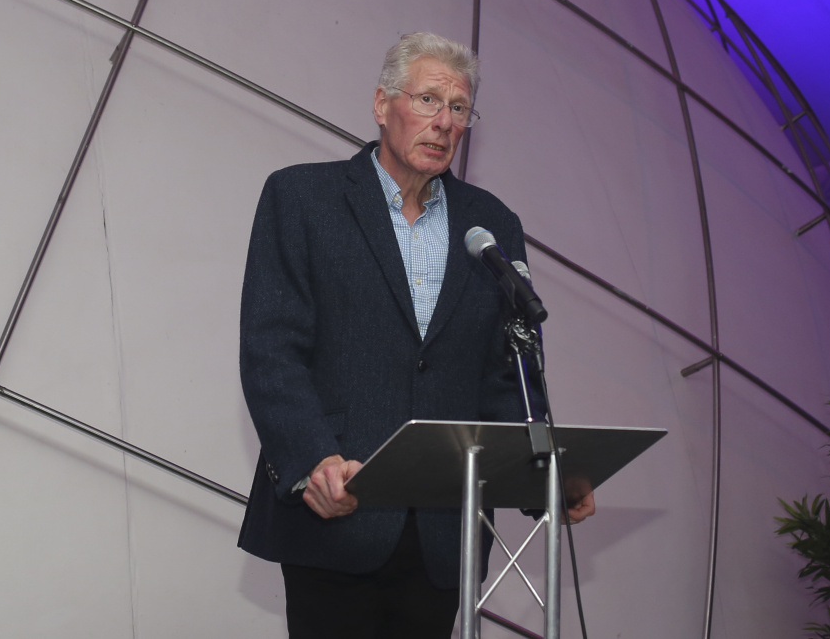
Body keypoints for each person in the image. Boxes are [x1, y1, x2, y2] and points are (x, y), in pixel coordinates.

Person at [238, 32, 595, 639]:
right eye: (428, 100)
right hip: (337, 508)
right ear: (383, 105)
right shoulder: (301, 197)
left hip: (445, 529)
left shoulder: (492, 223)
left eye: (459, 108)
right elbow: (272, 350)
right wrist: (313, 460)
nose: (444, 122)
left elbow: (508, 373)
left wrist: (543, 480)